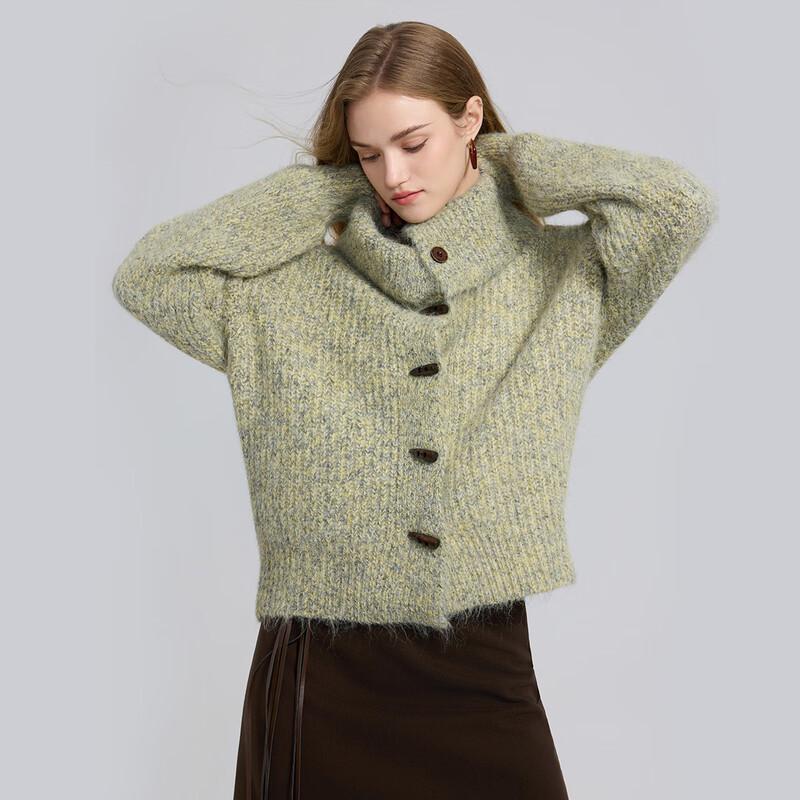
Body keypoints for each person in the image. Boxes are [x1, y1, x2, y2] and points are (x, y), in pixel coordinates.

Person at [111, 20, 717, 800]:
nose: (393, 174)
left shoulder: (562, 279)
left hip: (486, 660)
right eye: (369, 153)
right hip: (324, 673)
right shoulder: (281, 296)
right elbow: (150, 276)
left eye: (413, 141)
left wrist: (509, 158)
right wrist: (330, 184)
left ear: (469, 119)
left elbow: (675, 206)